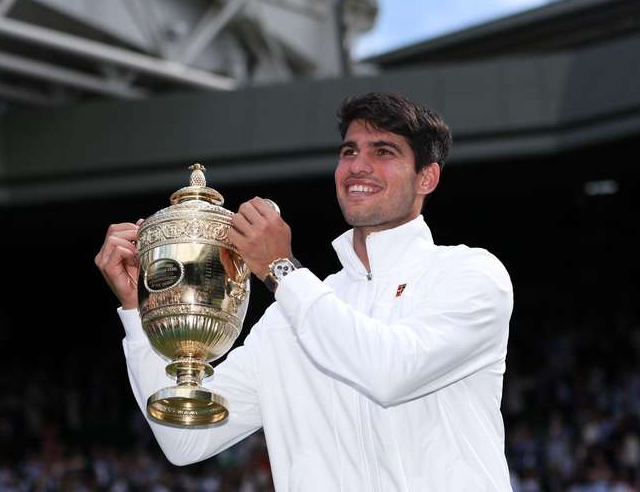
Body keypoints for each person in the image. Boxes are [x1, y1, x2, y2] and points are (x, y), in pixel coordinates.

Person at [95, 93, 514, 490]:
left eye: (383, 152)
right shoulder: (286, 319)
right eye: (349, 151)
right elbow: (185, 440)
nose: (358, 166)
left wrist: (280, 269)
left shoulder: (469, 274)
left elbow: (390, 373)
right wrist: (139, 308)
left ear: (428, 177)